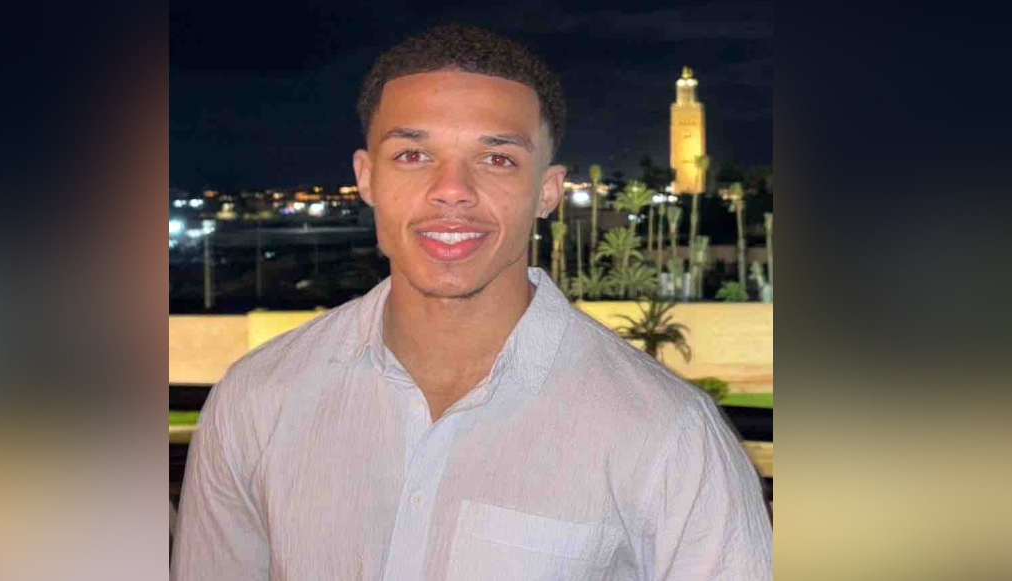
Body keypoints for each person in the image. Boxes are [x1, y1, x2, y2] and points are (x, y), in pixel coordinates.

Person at [171, 23, 772, 580]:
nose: (452, 190)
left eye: (496, 158)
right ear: (367, 176)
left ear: (547, 191)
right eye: (413, 155)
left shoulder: (669, 436)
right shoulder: (257, 399)